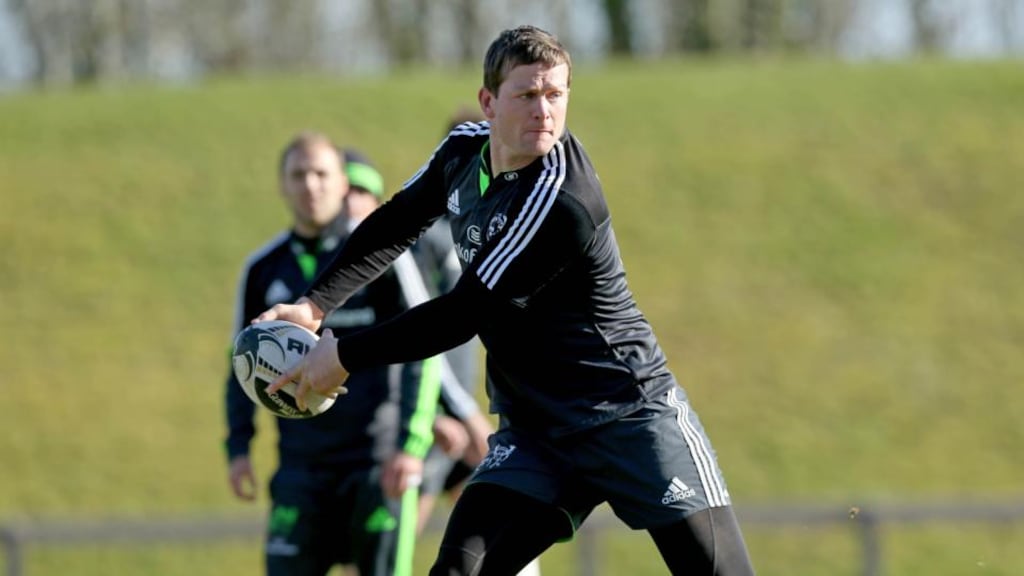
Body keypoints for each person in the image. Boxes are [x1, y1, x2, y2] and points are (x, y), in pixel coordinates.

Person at [260, 26, 756, 575]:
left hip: (630, 417)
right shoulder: (462, 151)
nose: (544, 111)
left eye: (555, 94)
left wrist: (342, 356)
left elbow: (462, 314)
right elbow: (397, 221)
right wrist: (313, 306)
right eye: (527, 95)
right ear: (488, 102)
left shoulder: (561, 198)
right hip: (538, 434)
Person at [224, 133, 440, 576]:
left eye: (321, 174)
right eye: (298, 175)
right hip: (300, 469)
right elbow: (238, 363)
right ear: (282, 185)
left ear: (343, 183)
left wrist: (410, 446)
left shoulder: (380, 255)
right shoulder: (262, 268)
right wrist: (238, 446)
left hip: (376, 462)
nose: (310, 185)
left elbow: (426, 348)